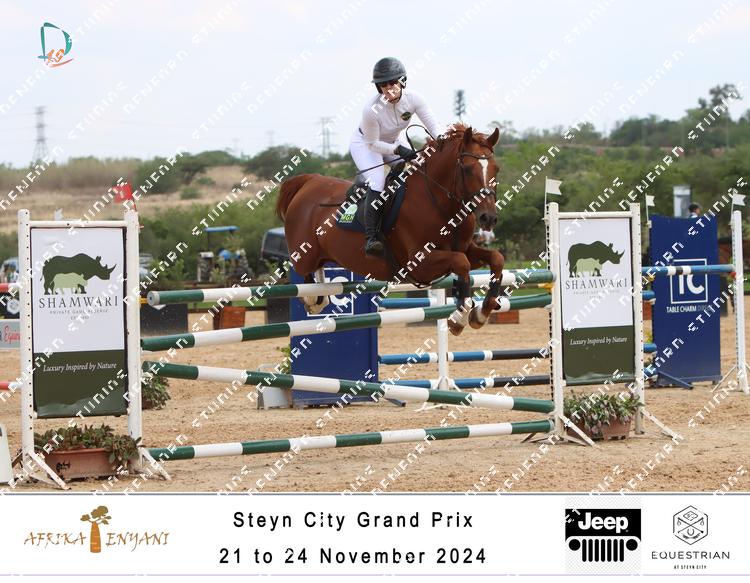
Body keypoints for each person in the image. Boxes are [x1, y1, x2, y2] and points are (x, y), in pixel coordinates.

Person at [350, 57, 444, 257]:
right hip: (366, 145)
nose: (388, 88)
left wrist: (444, 141)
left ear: (402, 82)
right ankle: (371, 238)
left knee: (419, 167)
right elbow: (373, 144)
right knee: (378, 180)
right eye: (383, 85)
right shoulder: (371, 110)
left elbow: (433, 126)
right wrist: (398, 150)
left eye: (392, 82)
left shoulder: (415, 99)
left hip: (393, 140)